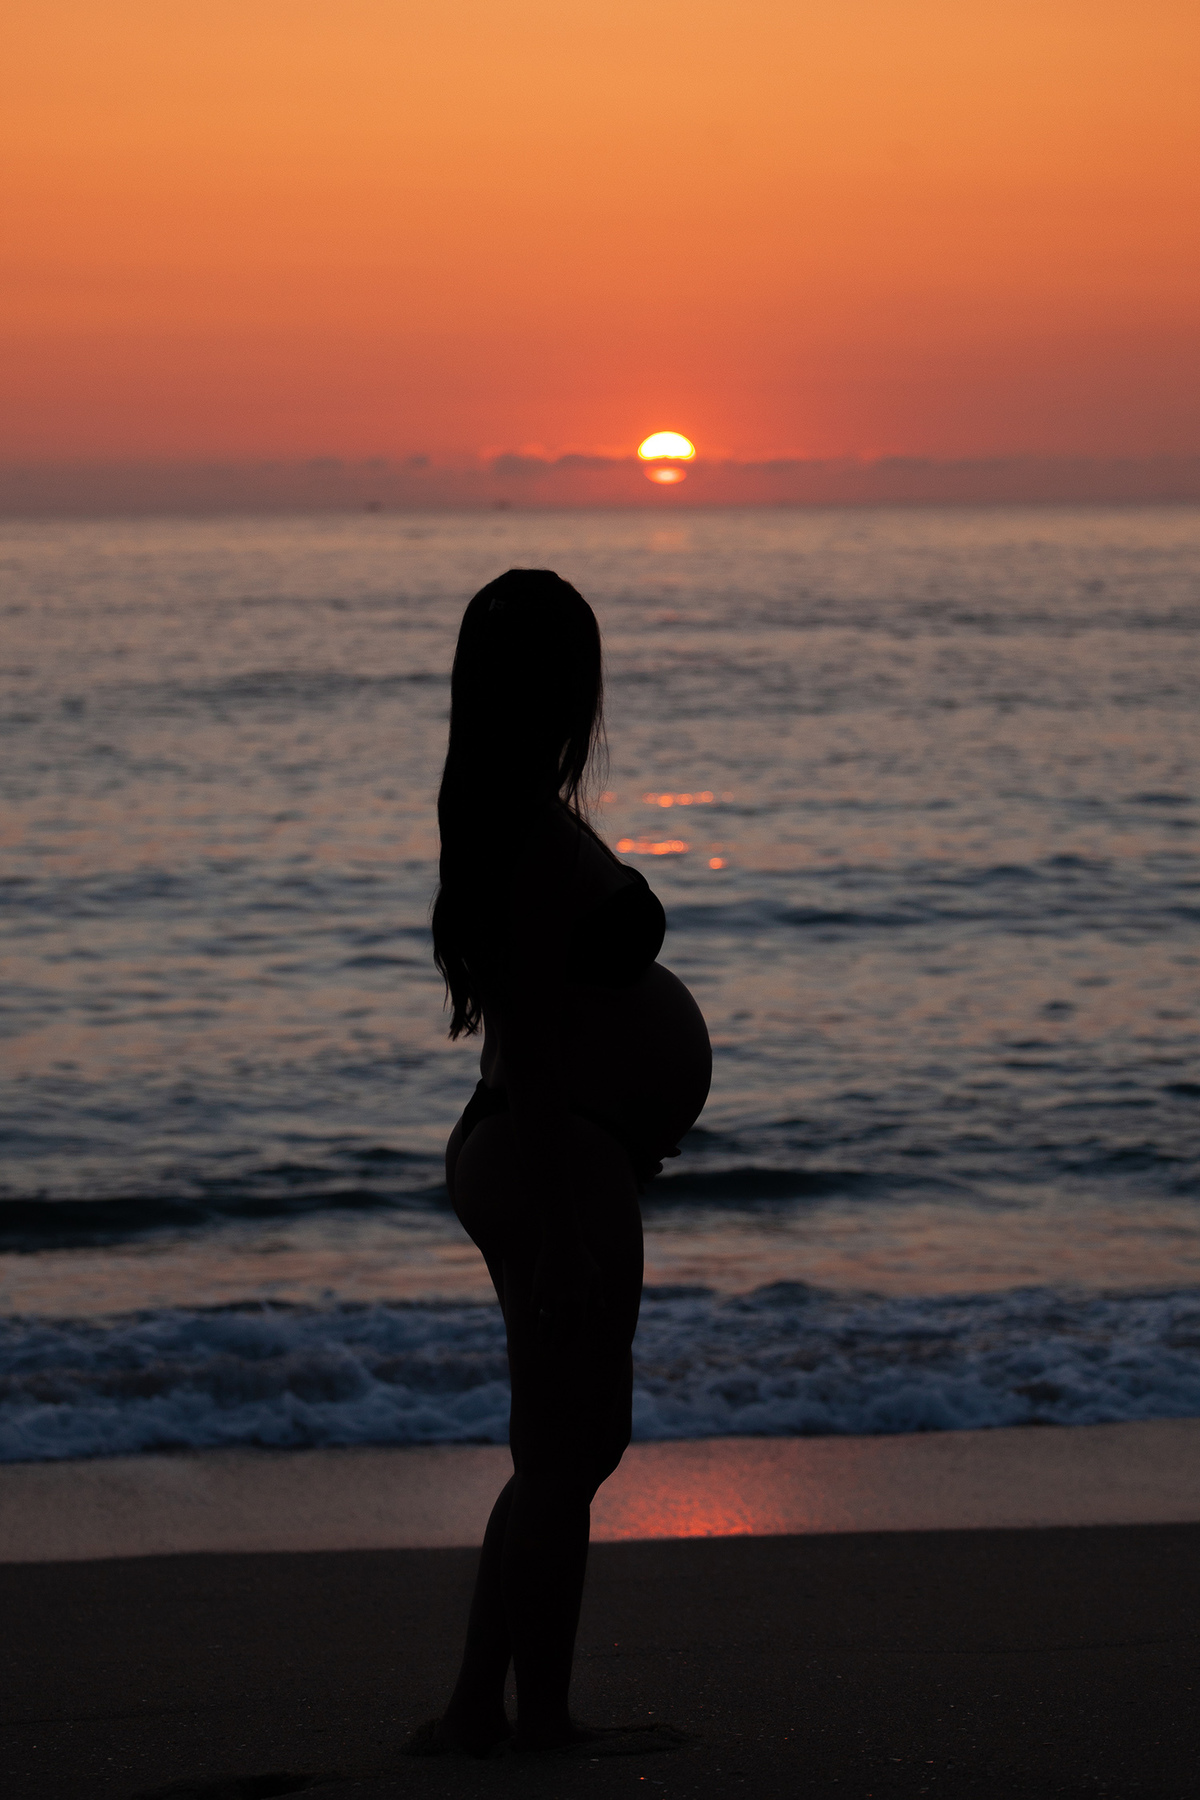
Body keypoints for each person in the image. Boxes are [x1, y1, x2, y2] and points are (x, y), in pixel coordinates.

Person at [407, 569, 711, 1756]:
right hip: (551, 1154)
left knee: (563, 1449)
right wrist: (574, 1218)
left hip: (561, 1150)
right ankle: (541, 1722)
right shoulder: (528, 836)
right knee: (571, 1449)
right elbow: (530, 1044)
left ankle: (485, 1708)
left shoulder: (512, 815)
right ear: (561, 686)